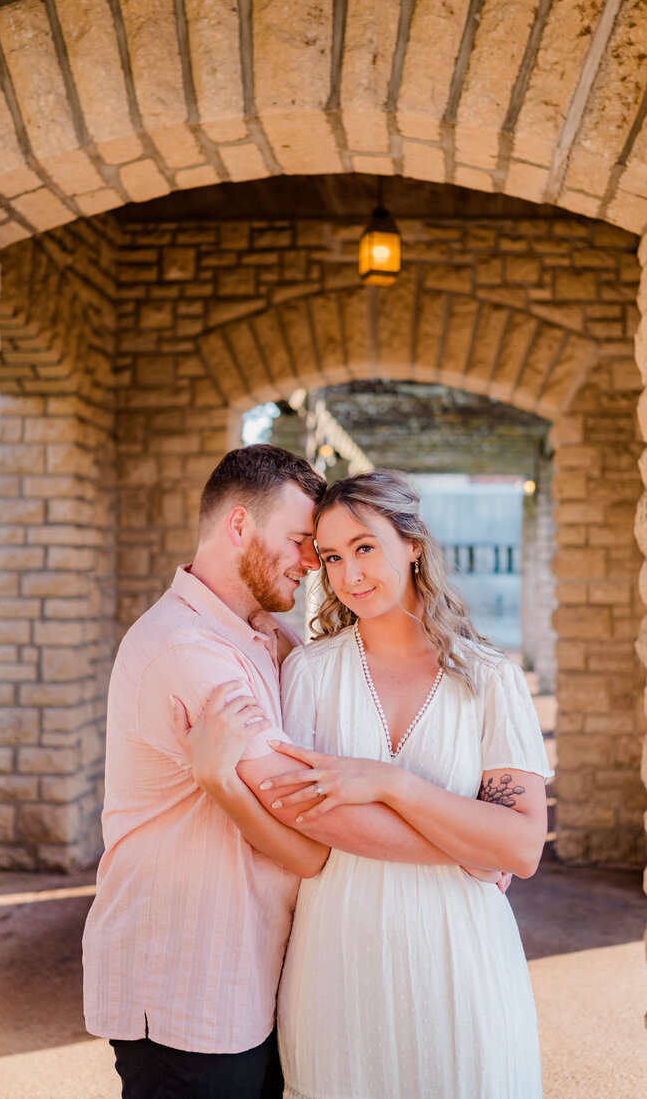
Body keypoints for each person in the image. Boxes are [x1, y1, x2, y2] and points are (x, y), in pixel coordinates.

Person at [85, 446, 503, 1099]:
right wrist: (476, 844)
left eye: (335, 550)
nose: (317, 565)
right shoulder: (188, 652)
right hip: (188, 989)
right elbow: (314, 827)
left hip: (252, 982)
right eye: (306, 543)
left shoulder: (259, 636)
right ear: (239, 528)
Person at [248, 470, 552, 1099]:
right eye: (331, 557)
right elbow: (308, 820)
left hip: (462, 966)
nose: (350, 574)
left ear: (413, 544)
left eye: (365, 547)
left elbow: (522, 847)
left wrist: (391, 784)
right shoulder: (307, 675)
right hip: (339, 965)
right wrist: (474, 842)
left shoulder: (490, 680)